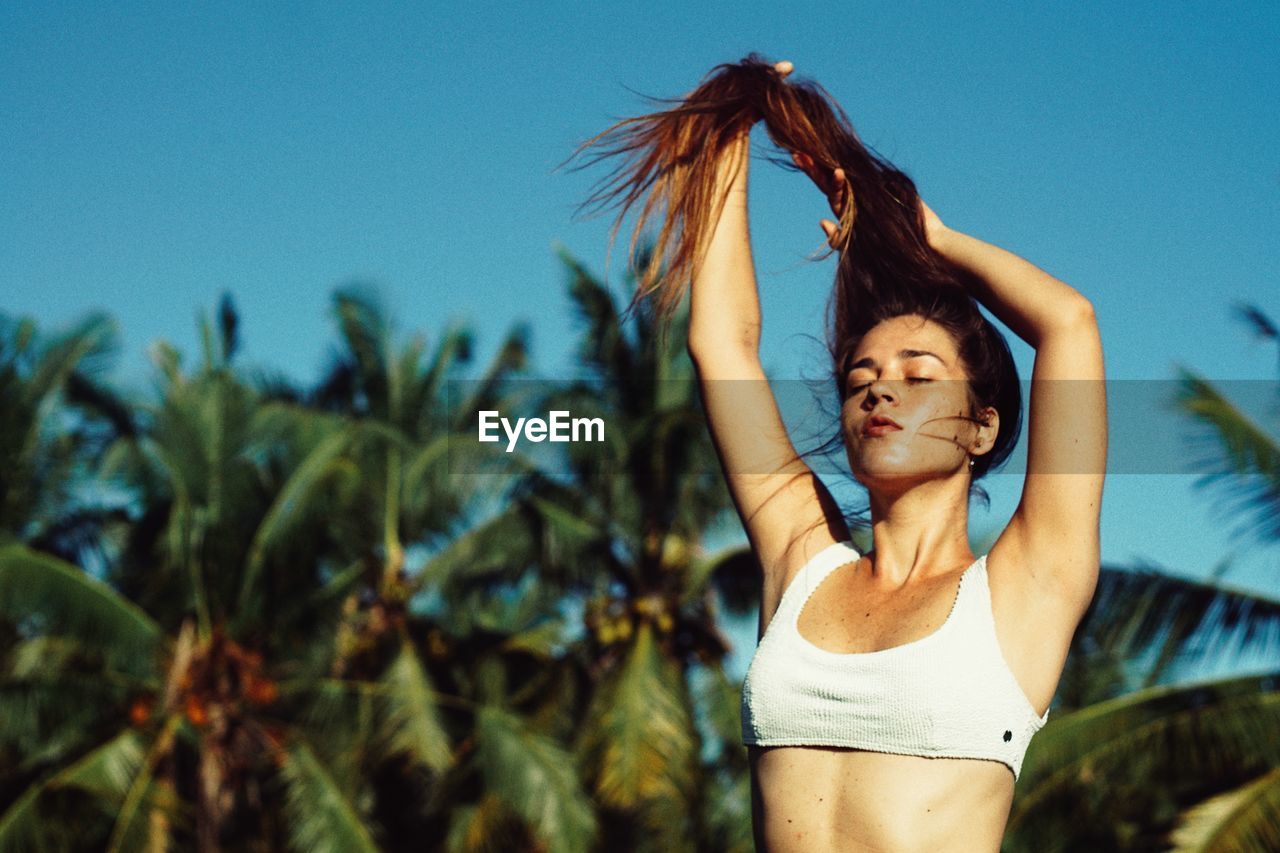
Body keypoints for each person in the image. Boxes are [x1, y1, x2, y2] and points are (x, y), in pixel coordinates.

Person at [573, 55, 1106, 852]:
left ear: (981, 428)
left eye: (917, 376)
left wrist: (934, 240)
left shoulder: (1028, 583)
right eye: (862, 376)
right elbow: (723, 346)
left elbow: (1068, 322)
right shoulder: (802, 559)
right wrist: (732, 121)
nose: (879, 391)